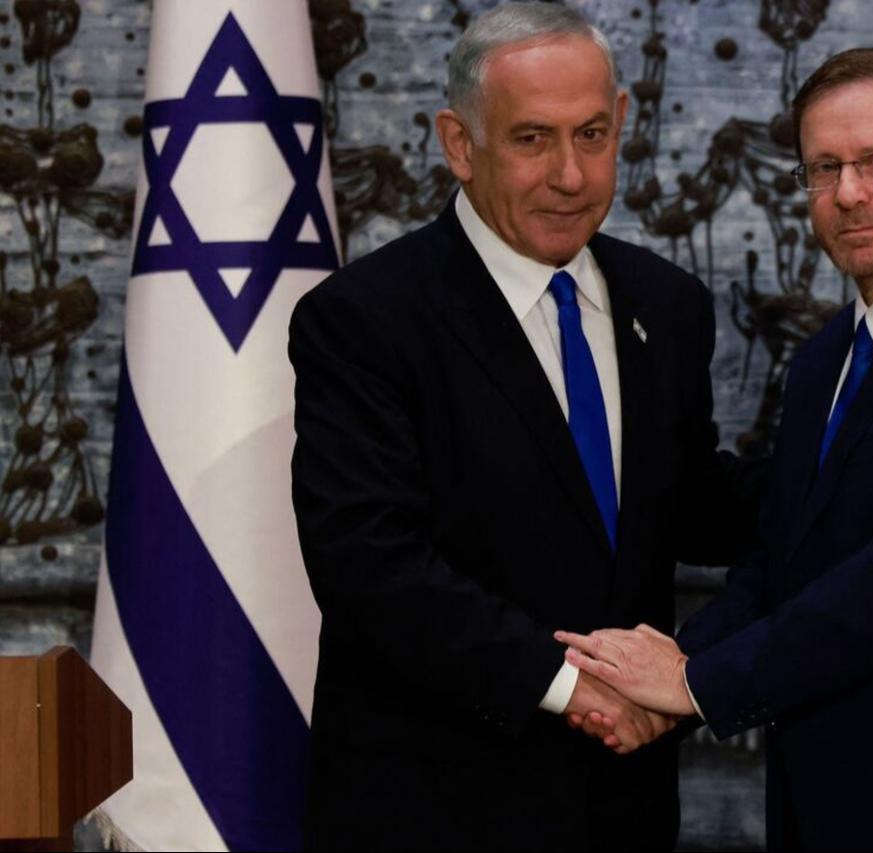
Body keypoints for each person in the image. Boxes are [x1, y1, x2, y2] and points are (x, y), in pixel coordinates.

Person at [557, 47, 873, 851]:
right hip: (821, 794)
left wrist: (694, 684)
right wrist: (669, 665)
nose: (847, 194)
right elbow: (781, 559)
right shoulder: (825, 355)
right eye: (822, 168)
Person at [288, 4, 756, 850]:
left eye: (590, 135)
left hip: (624, 808)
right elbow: (369, 564)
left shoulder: (667, 305)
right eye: (533, 139)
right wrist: (574, 687)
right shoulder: (365, 320)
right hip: (434, 810)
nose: (571, 175)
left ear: (621, 123)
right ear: (459, 144)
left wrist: (858, 444)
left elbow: (684, 505)